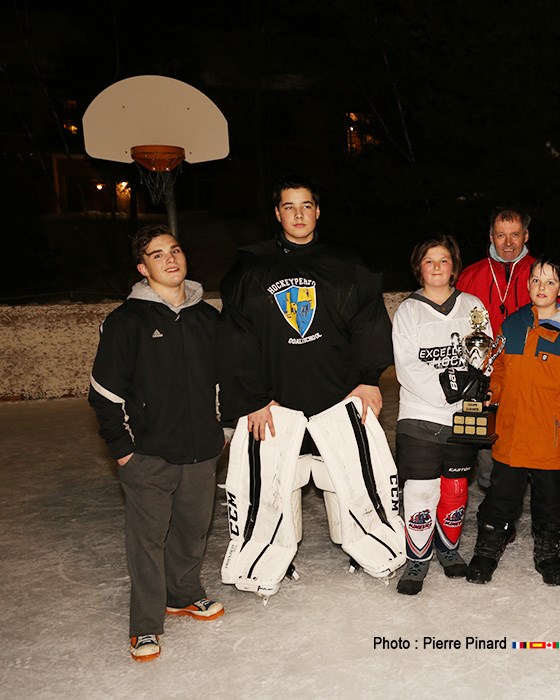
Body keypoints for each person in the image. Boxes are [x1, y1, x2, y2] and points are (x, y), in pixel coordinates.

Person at [218, 177, 397, 590]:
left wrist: (370, 379)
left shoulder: (348, 263)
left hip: (338, 398)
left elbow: (369, 323)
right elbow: (237, 341)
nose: (298, 214)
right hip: (278, 403)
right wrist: (254, 400)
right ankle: (277, 557)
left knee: (345, 478)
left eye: (306, 205)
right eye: (288, 206)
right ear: (277, 213)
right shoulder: (251, 270)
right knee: (282, 482)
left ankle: (361, 546)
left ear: (318, 211)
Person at [88, 224, 226, 662]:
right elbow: (104, 393)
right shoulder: (126, 321)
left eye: (175, 250)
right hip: (147, 454)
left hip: (202, 450)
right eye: (157, 254)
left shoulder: (209, 318)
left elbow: (225, 382)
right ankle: (145, 624)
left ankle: (183, 594)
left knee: (192, 530)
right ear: (142, 267)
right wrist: (123, 450)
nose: (170, 259)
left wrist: (219, 431)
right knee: (147, 542)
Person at [466, 257, 560, 586]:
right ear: (527, 286)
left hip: (549, 440)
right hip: (510, 434)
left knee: (550, 501)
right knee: (500, 497)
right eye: (536, 280)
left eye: (550, 282)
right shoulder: (512, 325)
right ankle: (487, 548)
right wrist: (489, 394)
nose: (542, 287)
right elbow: (499, 374)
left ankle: (548, 552)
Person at [391, 235, 490, 595]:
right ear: (419, 267)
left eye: (444, 260)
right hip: (419, 416)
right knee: (419, 491)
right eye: (429, 260)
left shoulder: (473, 305)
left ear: (454, 266)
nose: (437, 267)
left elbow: (482, 357)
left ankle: (447, 549)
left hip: (462, 416)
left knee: (455, 488)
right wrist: (446, 393)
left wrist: (470, 386)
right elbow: (407, 367)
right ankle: (416, 558)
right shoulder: (408, 310)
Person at [455, 207, 560, 490]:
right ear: (491, 237)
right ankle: (496, 506)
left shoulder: (543, 273)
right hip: (488, 377)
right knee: (490, 457)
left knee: (538, 453)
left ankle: (539, 501)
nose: (508, 243)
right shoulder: (471, 275)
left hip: (536, 378)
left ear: (526, 235)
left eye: (515, 235)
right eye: (501, 235)